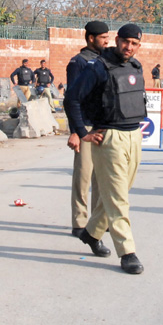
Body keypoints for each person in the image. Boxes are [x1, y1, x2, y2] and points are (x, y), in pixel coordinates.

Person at [64, 24, 148, 275]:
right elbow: (72, 99)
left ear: (138, 45)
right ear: (117, 40)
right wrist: (81, 132)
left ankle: (91, 233)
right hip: (108, 137)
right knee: (119, 198)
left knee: (119, 191)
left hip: (134, 134)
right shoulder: (98, 66)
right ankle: (127, 252)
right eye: (125, 42)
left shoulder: (135, 66)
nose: (129, 47)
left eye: (134, 43)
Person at [65, 20, 110, 238]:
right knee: (83, 176)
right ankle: (79, 221)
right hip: (86, 127)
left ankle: (98, 219)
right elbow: (73, 99)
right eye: (103, 38)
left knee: (102, 177)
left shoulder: (105, 61)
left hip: (104, 126)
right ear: (91, 38)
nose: (107, 41)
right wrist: (76, 130)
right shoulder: (78, 63)